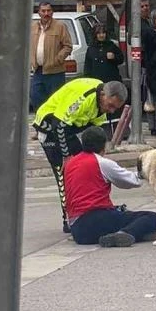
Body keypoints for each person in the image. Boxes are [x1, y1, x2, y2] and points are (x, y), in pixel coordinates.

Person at [34, 77, 128, 231]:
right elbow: (59, 126)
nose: (111, 111)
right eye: (110, 106)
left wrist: (98, 158)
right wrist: (66, 156)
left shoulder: (101, 104)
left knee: (86, 168)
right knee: (65, 173)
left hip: (69, 128)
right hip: (50, 126)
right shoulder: (84, 97)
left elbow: (94, 133)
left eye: (115, 109)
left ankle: (91, 209)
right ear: (103, 94)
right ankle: (69, 219)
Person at [63, 126, 156, 247]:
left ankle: (130, 234)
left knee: (121, 215)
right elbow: (132, 181)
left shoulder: (70, 163)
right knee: (153, 218)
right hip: (94, 220)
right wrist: (148, 172)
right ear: (104, 145)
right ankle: (124, 233)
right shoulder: (101, 163)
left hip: (76, 229)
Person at [29, 2, 73, 111]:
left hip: (55, 72)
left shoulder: (60, 26)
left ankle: (55, 125)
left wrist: (57, 59)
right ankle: (41, 123)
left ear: (52, 12)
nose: (46, 13)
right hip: (38, 70)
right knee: (36, 98)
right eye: (43, 11)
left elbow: (68, 46)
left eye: (48, 11)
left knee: (55, 102)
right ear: (39, 13)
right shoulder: (33, 27)